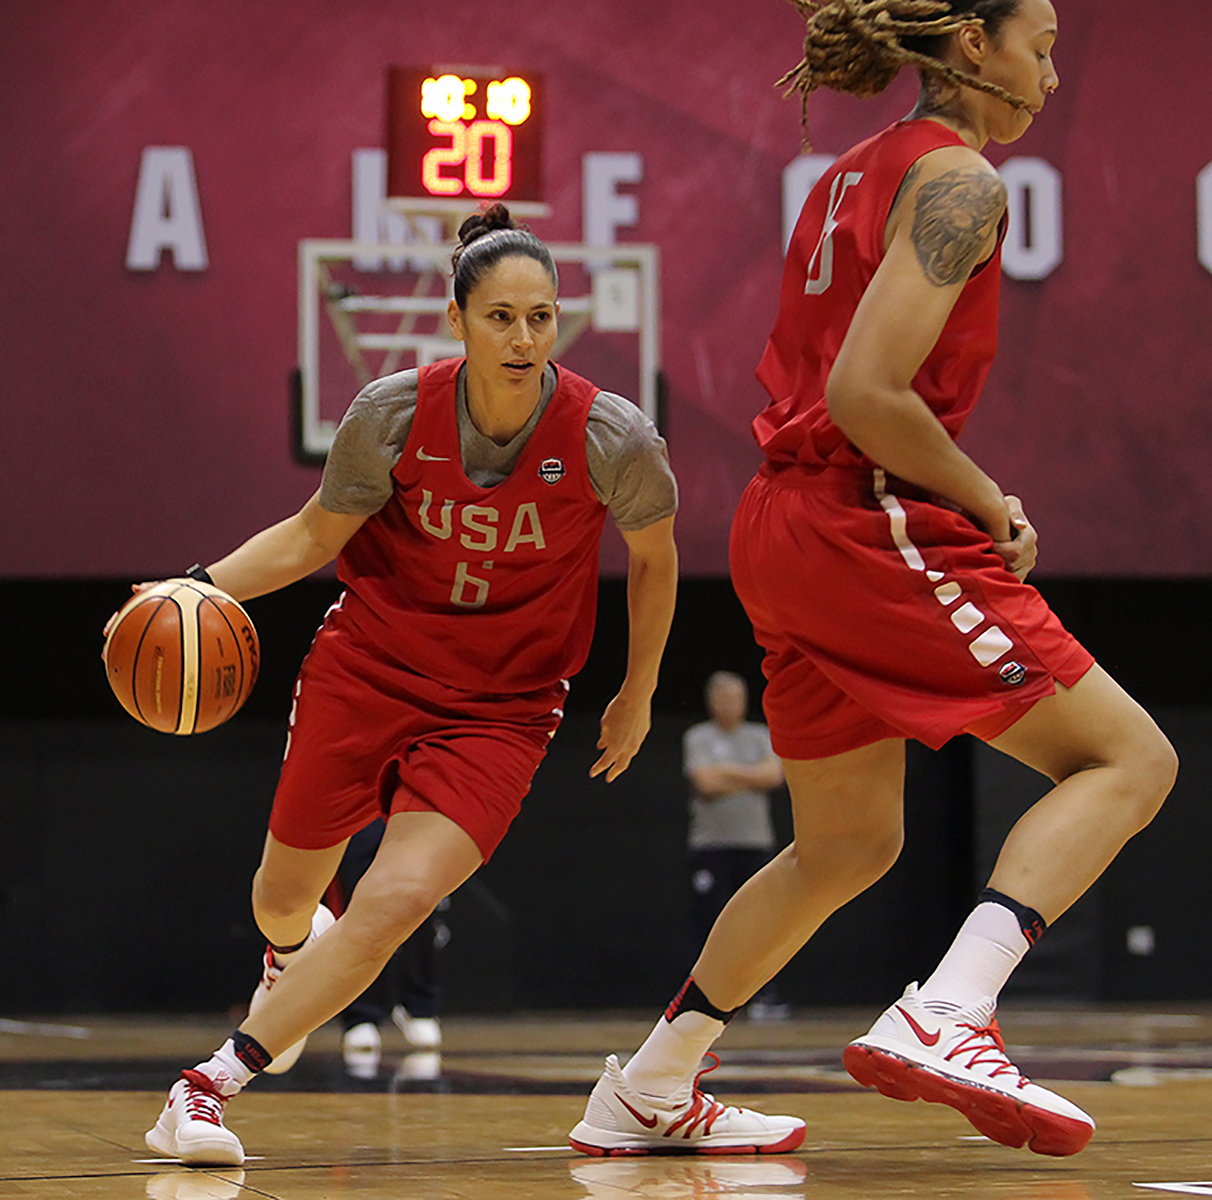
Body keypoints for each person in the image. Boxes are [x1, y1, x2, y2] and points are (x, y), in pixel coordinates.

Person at [571, 0, 1176, 1159]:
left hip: (780, 525)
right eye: (1040, 47)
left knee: (847, 846)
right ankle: (952, 1012)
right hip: (864, 518)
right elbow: (866, 393)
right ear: (971, 44)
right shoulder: (959, 182)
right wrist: (985, 494)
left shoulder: (852, 170)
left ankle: (649, 1085)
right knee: (1130, 757)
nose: (1052, 76)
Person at [136, 203, 681, 1166]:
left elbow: (654, 560)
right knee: (281, 897)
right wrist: (200, 583)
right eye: (502, 316)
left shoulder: (612, 436)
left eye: (542, 316)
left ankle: (204, 1089)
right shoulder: (391, 413)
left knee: (392, 903)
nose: (523, 337)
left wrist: (637, 690)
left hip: (502, 711)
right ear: (458, 320)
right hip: (370, 670)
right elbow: (311, 539)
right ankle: (287, 957)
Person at [683, 672, 788, 1017]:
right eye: (724, 698)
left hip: (754, 842)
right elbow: (705, 782)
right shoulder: (698, 737)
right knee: (711, 920)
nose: (731, 705)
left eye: (737, 697)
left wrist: (726, 772)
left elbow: (773, 775)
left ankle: (763, 996)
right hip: (710, 845)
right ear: (712, 701)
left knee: (760, 922)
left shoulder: (759, 735)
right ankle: (705, 999)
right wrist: (748, 775)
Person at [327, 818, 445, 1077]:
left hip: (417, 799)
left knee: (421, 899)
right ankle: (361, 1015)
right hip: (361, 801)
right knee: (360, 903)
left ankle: (418, 1005)